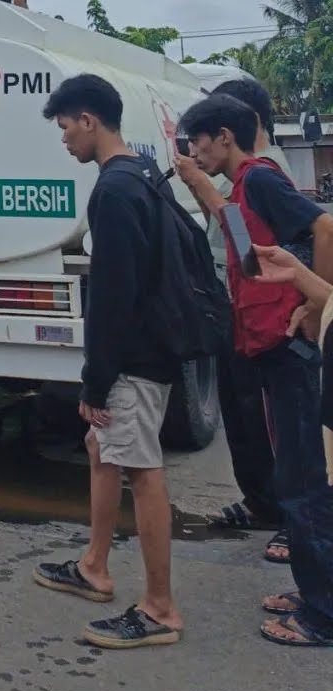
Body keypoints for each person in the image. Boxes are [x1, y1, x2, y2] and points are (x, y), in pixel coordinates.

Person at [32, 75, 184, 648]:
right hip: (149, 347)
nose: (64, 138)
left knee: (142, 471)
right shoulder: (142, 172)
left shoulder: (114, 192)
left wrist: (95, 381)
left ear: (89, 121)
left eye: (66, 126)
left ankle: (159, 610)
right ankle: (94, 566)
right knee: (103, 448)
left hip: (135, 358)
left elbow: (114, 297)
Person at [178, 94, 333, 646]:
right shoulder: (243, 189)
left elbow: (325, 228)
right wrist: (200, 188)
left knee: (301, 479)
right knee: (294, 473)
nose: (194, 150)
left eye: (198, 141)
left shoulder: (261, 178)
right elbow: (245, 250)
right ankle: (317, 589)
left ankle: (324, 615)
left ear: (225, 136)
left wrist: (317, 305)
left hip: (288, 349)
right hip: (267, 347)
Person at [179, 79, 289, 561]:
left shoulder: (267, 173)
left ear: (235, 128)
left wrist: (313, 303)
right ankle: (262, 502)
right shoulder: (240, 175)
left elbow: (248, 245)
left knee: (276, 424)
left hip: (269, 321)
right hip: (236, 311)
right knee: (241, 414)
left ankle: (294, 518)